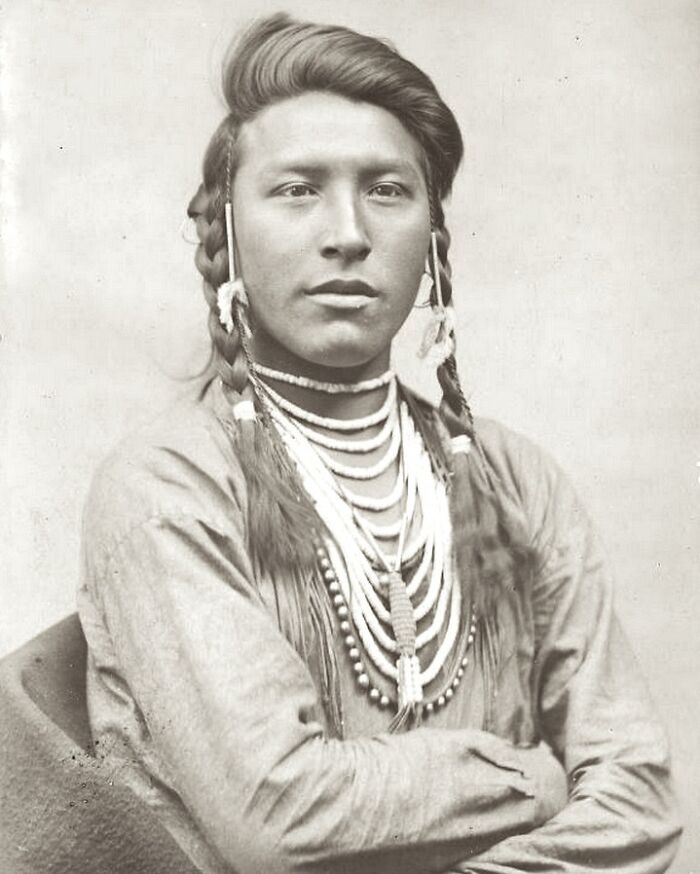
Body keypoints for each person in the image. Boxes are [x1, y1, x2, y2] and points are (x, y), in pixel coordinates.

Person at [77, 12, 681, 874]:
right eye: (297, 189)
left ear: (433, 241)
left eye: (387, 189)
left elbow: (642, 801)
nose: (348, 231)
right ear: (229, 234)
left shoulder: (516, 480)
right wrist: (531, 780)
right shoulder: (170, 483)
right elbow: (277, 813)